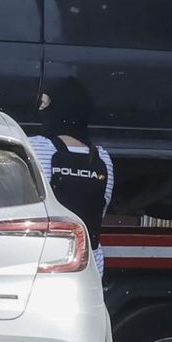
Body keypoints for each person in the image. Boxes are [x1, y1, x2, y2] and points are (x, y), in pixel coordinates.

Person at [29, 77, 114, 273]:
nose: (40, 109)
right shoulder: (103, 158)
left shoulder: (35, 147)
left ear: (58, 107)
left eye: (44, 103)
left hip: (43, 265)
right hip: (89, 269)